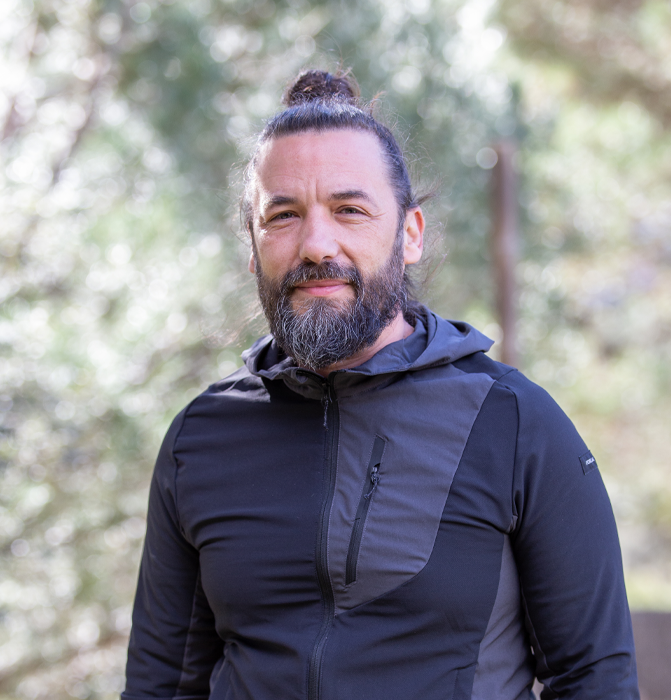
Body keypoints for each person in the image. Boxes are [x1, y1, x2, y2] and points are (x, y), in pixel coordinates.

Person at [122, 70, 639, 700]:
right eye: (283, 216)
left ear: (410, 234)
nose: (317, 245)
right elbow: (161, 688)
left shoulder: (514, 423)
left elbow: (596, 679)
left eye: (350, 210)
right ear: (253, 247)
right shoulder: (200, 440)